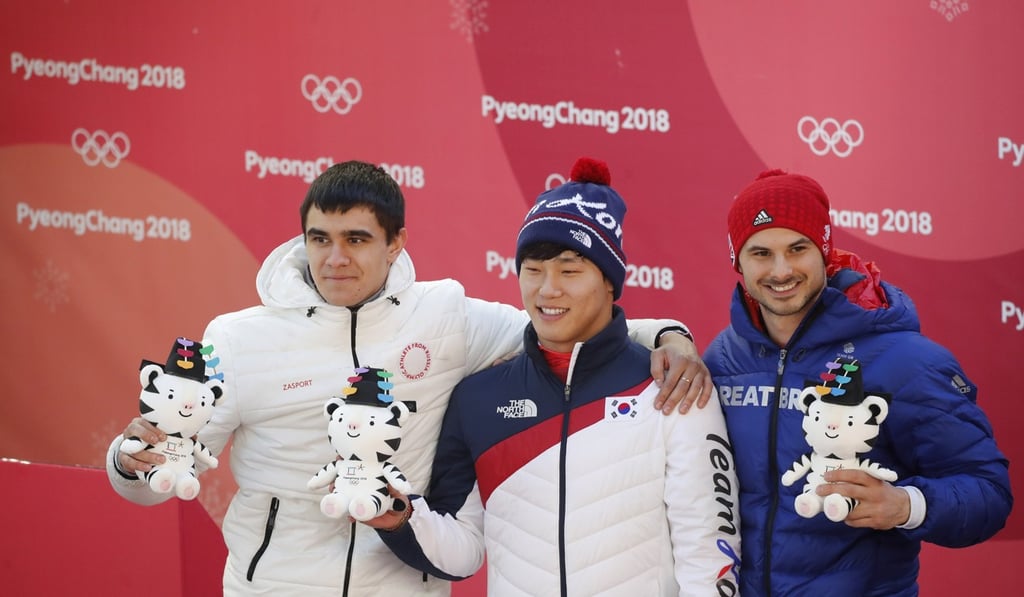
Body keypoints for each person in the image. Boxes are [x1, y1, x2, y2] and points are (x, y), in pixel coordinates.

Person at [106, 160, 713, 596]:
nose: (335, 259)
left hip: (401, 584)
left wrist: (669, 336)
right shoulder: (239, 339)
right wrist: (130, 463)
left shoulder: (445, 316)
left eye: (356, 239)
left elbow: (563, 325)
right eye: (319, 239)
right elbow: (165, 471)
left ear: (396, 243)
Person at [371, 157, 741, 596]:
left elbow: (709, 557)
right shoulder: (479, 397)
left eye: (569, 270)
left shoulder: (674, 387)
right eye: (533, 270)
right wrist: (401, 518)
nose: (548, 289)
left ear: (609, 282)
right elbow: (463, 550)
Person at [703, 169, 1013, 596]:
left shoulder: (906, 361)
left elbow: (989, 493)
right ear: (737, 260)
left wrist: (906, 506)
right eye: (761, 253)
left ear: (824, 249)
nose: (781, 270)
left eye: (797, 248)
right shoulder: (723, 357)